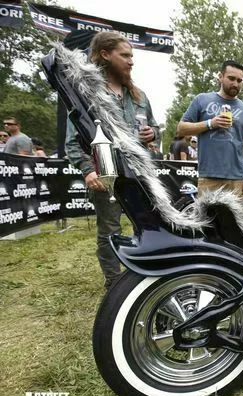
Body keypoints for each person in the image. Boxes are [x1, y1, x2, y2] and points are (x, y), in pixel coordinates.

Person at [65, 32, 159, 291]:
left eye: (132, 56)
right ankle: (114, 285)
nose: (131, 61)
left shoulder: (139, 96)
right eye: (125, 55)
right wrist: (88, 171)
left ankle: (148, 277)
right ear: (105, 55)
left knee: (149, 227)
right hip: (105, 175)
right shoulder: (86, 94)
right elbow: (72, 143)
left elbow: (154, 131)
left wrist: (153, 133)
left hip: (139, 174)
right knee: (109, 232)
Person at [178, 60, 243, 197]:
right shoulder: (201, 100)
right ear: (220, 77)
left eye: (239, 80)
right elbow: (181, 129)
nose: (235, 84)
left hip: (236, 179)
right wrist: (210, 124)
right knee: (208, 219)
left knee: (234, 219)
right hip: (208, 177)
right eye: (231, 78)